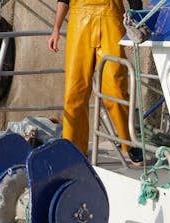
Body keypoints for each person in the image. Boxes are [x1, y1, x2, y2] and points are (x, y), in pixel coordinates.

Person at [48, 0, 140, 162]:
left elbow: (135, 1)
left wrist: (135, 27)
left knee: (115, 87)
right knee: (74, 90)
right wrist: (56, 28)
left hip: (111, 21)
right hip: (79, 23)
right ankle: (74, 147)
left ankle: (129, 143)